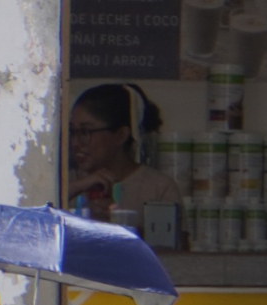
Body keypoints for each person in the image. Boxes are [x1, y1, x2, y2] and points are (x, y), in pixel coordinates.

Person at [66, 82, 182, 228]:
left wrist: (118, 221)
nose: (75, 142)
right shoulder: (65, 183)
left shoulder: (158, 188)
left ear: (121, 136)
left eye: (85, 132)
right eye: (72, 131)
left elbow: (176, 248)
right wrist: (74, 188)